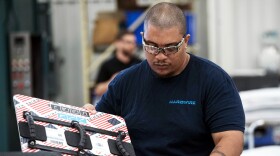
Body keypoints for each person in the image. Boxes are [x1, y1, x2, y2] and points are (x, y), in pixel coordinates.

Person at [84, 2, 245, 156]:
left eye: (170, 48)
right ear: (142, 37)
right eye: (152, 47)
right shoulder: (124, 82)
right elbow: (99, 130)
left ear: (186, 41)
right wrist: (89, 119)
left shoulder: (213, 80)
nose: (160, 56)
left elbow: (231, 138)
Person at [93, 31, 142, 101]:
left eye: (134, 42)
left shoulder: (139, 63)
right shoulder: (107, 65)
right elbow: (97, 91)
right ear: (118, 43)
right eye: (128, 42)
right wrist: (113, 81)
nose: (132, 45)